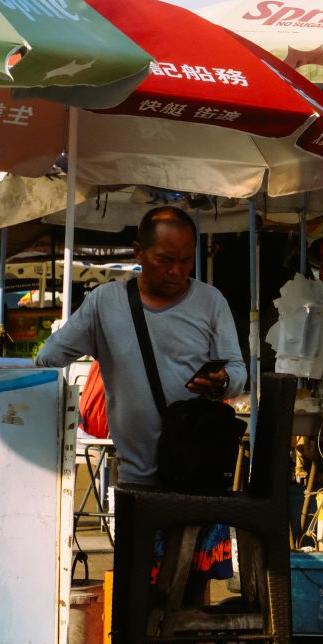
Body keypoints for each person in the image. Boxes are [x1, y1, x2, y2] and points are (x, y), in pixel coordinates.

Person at [37, 206, 246, 486]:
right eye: (164, 259)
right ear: (138, 251)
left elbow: (237, 370)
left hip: (196, 470)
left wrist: (222, 382)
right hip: (135, 477)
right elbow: (48, 358)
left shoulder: (211, 301)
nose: (176, 270)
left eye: (186, 260)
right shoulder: (104, 303)